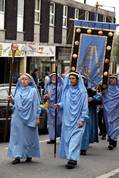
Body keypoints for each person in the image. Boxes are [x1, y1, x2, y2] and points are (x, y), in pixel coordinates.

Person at [55, 71, 88, 169]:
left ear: (77, 80)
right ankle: (71, 158)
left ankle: (72, 159)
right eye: (69, 78)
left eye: (73, 78)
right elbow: (64, 103)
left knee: (75, 140)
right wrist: (59, 105)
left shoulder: (83, 92)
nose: (71, 80)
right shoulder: (67, 90)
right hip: (67, 119)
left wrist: (82, 119)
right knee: (67, 140)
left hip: (78, 120)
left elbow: (85, 107)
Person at [8, 73, 41, 164]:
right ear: (19, 81)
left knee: (28, 137)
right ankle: (17, 156)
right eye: (22, 79)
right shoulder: (17, 90)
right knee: (17, 137)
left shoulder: (33, 91)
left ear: (30, 81)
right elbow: (16, 103)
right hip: (17, 118)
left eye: (26, 79)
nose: (24, 81)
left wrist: (37, 117)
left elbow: (37, 105)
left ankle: (29, 154)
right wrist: (11, 100)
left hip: (30, 117)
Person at [44, 73, 63, 144]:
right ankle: (52, 138)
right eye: (52, 77)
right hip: (51, 107)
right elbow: (45, 94)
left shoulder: (61, 86)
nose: (53, 78)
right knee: (51, 123)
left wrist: (60, 104)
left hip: (59, 107)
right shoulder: (48, 86)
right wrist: (46, 96)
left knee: (59, 123)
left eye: (55, 77)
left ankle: (61, 136)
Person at [102, 74, 119, 150]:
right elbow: (101, 97)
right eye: (110, 78)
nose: (112, 80)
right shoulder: (105, 90)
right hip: (107, 111)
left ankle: (112, 142)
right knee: (109, 125)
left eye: (113, 78)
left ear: (116, 80)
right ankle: (112, 140)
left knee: (115, 126)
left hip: (116, 112)